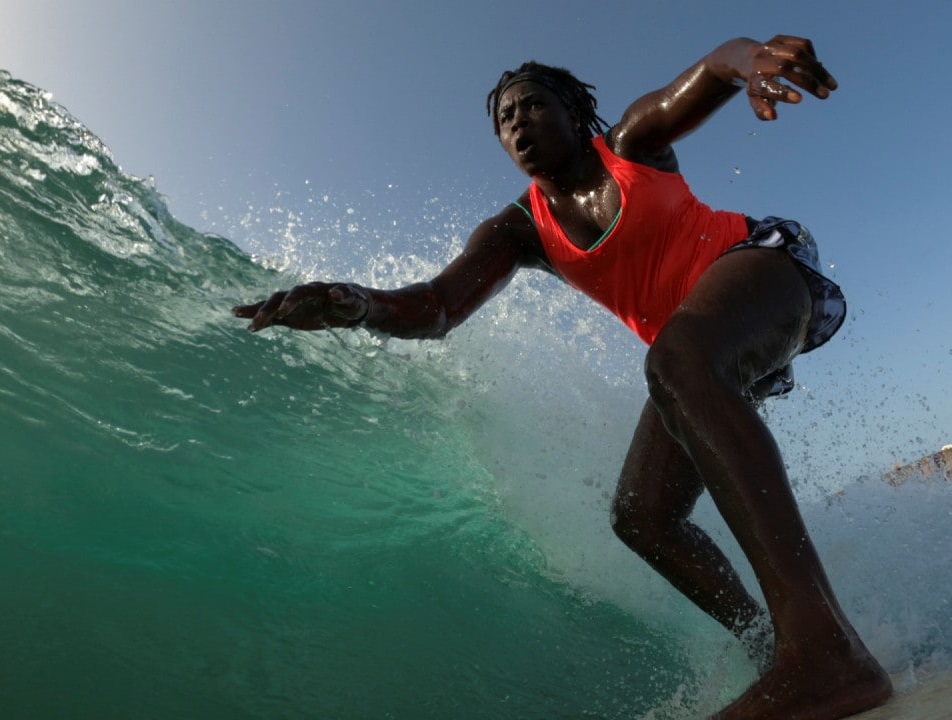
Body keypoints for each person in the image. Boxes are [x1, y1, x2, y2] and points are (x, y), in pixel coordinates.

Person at [233, 34, 891, 720]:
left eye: (532, 107)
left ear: (574, 113)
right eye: (505, 119)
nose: (518, 122)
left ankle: (822, 649)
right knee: (642, 517)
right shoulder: (520, 230)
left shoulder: (630, 145)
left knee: (673, 360)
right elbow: (435, 308)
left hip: (764, 270)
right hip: (700, 355)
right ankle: (772, 647)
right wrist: (358, 304)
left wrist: (750, 61)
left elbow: (707, 74)